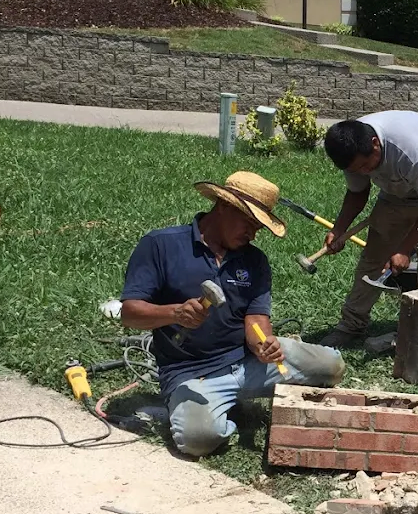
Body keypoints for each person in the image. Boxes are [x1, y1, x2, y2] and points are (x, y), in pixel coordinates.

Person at [120, 171, 346, 457]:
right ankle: (213, 413)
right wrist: (175, 313)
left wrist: (263, 343)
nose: (253, 234)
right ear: (224, 206)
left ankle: (228, 401)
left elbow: (256, 319)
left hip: (247, 361)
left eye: (258, 228)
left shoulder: (254, 260)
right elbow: (129, 313)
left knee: (332, 365)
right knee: (198, 440)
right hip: (192, 374)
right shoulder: (161, 245)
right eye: (250, 223)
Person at [318, 110, 418, 348]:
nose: (365, 173)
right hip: (397, 188)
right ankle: (351, 325)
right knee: (373, 256)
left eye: (367, 166)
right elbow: (358, 192)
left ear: (375, 144)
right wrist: (339, 229)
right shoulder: (352, 154)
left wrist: (405, 249)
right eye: (358, 170)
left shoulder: (411, 151)